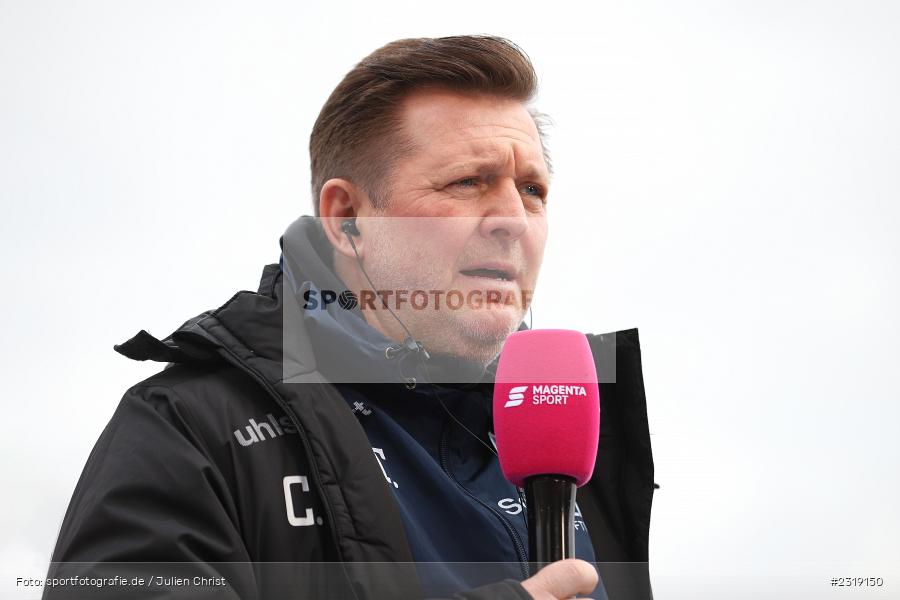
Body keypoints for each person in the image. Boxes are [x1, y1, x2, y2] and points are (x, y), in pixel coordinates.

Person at [45, 36, 655, 599]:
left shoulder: (577, 433)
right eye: (468, 182)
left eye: (532, 191)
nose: (514, 220)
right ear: (346, 220)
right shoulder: (193, 429)